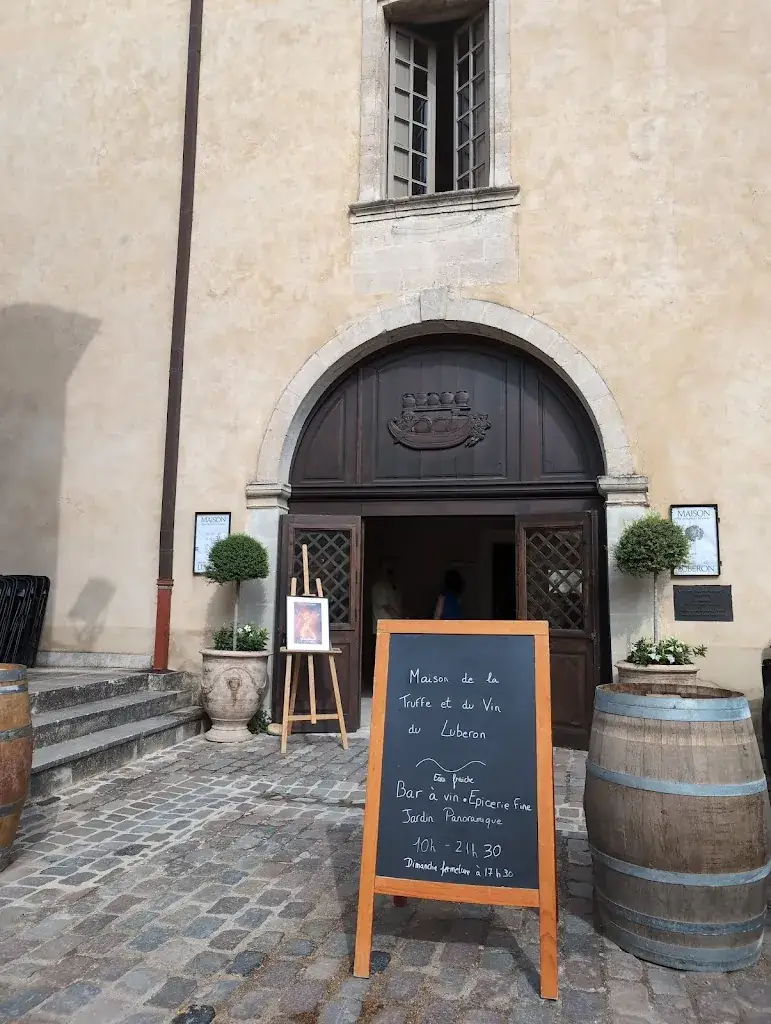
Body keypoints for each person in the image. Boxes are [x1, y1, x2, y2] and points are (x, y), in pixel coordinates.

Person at [371, 557, 403, 633]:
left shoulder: (394, 587)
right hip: (383, 630)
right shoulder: (378, 587)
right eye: (388, 571)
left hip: (394, 629)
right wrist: (401, 621)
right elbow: (387, 608)